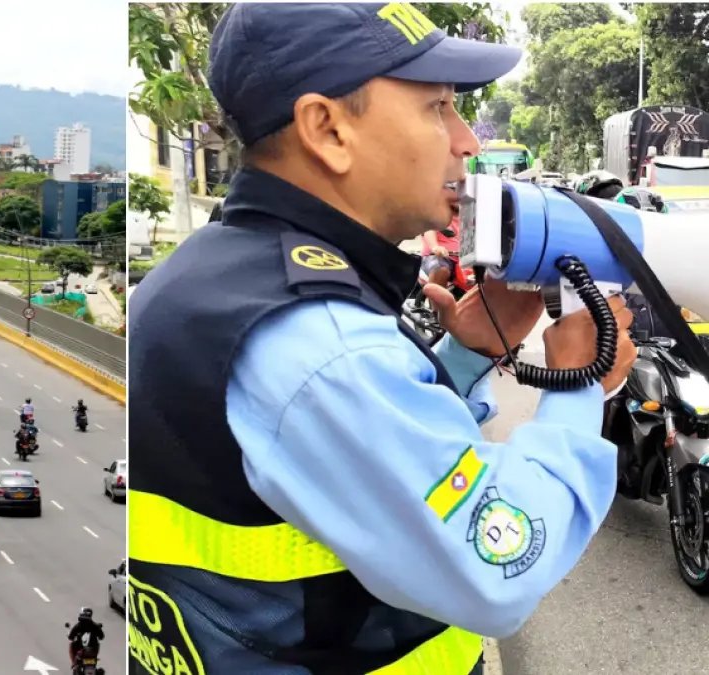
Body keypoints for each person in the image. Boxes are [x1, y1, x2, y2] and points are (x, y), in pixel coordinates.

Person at [127, 5, 638, 674]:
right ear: (328, 128)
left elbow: (339, 461)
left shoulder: (208, 274)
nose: (466, 141)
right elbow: (500, 567)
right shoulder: (317, 344)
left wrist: (468, 354)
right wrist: (579, 384)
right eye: (437, 108)